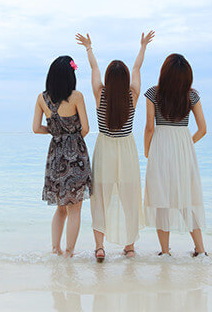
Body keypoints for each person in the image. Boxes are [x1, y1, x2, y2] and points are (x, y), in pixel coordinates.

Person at [76, 31, 154, 262]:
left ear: (108, 80)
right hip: (126, 149)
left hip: (105, 147)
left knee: (101, 198)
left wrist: (89, 47)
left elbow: (94, 70)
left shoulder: (100, 94)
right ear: (126, 79)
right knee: (129, 197)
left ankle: (100, 248)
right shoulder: (133, 95)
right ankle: (129, 247)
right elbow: (137, 69)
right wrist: (143, 47)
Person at [143, 53, 208, 257]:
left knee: (161, 199)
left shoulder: (153, 93)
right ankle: (200, 249)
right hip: (183, 149)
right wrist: (186, 143)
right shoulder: (192, 95)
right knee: (185, 200)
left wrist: (147, 151)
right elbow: (202, 129)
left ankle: (165, 252)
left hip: (160, 147)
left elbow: (149, 127)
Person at [32, 55, 93, 258]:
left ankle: (55, 248)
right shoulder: (76, 97)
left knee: (60, 209)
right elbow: (86, 128)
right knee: (75, 209)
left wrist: (55, 133)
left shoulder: (42, 98)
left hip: (55, 155)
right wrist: (72, 138)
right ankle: (69, 252)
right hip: (76, 155)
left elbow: (35, 128)